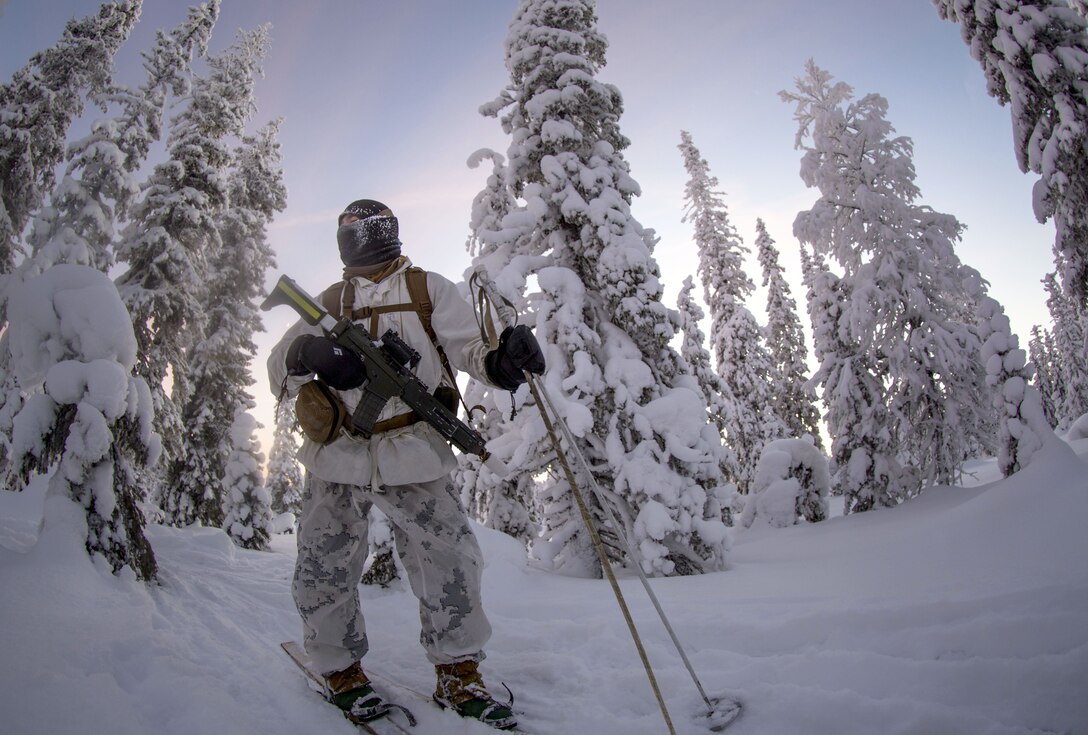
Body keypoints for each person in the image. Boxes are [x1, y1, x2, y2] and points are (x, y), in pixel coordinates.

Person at [268, 199, 545, 730]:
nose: (364, 236)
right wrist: (306, 352)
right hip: (338, 453)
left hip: (414, 448)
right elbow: (277, 367)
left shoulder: (427, 289)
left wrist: (503, 360)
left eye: (374, 226)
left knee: (451, 559)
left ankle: (459, 672)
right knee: (325, 562)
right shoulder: (330, 300)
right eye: (352, 227)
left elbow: (471, 350)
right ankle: (339, 669)